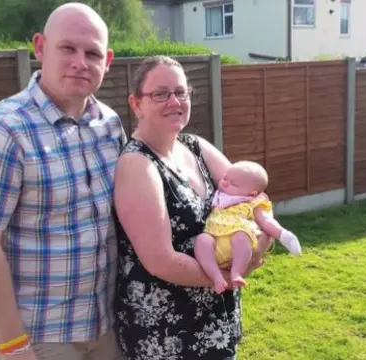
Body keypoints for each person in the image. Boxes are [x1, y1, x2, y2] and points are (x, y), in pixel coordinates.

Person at [0, 3, 125, 360]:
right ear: (40, 47)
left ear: (107, 61)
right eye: (67, 48)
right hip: (39, 337)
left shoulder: (109, 125)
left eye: (92, 52)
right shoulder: (1, 130)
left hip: (105, 328)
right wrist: (13, 345)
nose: (80, 61)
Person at [112, 55, 274, 359]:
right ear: (136, 104)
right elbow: (161, 260)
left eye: (181, 92)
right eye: (160, 93)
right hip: (168, 334)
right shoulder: (137, 164)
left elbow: (255, 197)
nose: (174, 101)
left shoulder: (195, 146)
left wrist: (257, 248)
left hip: (215, 322)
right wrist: (228, 276)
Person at [194, 160, 302, 294]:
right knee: (202, 239)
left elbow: (267, 221)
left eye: (233, 184)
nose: (224, 183)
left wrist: (284, 235)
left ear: (251, 194)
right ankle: (216, 276)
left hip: (236, 245)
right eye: (225, 178)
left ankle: (236, 272)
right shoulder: (220, 196)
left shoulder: (252, 203)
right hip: (215, 242)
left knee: (241, 235)